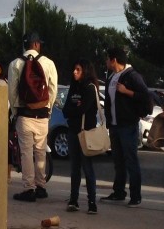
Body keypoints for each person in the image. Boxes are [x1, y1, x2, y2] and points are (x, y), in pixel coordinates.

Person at [7, 33, 58, 202]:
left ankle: (29, 189)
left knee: (26, 153)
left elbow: (12, 92)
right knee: (41, 151)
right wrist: (48, 109)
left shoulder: (15, 64)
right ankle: (41, 186)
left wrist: (15, 112)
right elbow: (53, 89)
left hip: (24, 115)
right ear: (36, 44)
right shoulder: (48, 63)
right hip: (42, 114)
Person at [101, 46, 151, 207]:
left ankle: (136, 196)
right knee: (118, 161)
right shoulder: (112, 76)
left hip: (128, 125)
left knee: (131, 160)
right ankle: (119, 192)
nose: (106, 62)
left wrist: (127, 91)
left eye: (108, 58)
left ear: (114, 59)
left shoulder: (133, 76)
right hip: (115, 125)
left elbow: (146, 97)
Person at [62, 60, 101, 214]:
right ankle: (74, 200)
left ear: (85, 71)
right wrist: (74, 108)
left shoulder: (90, 88)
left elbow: (83, 109)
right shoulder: (74, 87)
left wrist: (75, 109)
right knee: (74, 168)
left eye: (78, 70)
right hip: (72, 131)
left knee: (87, 168)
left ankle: (92, 202)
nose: (75, 72)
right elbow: (66, 110)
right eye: (74, 69)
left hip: (86, 132)